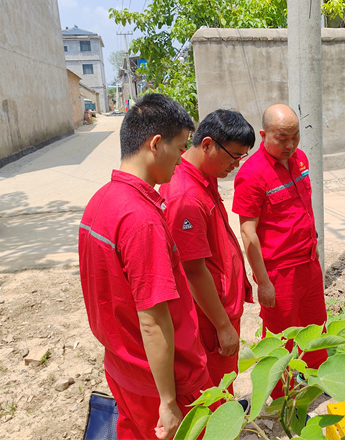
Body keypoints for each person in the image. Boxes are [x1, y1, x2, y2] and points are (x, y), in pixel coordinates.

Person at [79, 93, 211, 440]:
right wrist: (168, 401)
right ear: (156, 144)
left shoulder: (100, 201)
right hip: (161, 379)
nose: (183, 160)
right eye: (181, 147)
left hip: (123, 366)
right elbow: (152, 320)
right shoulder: (140, 218)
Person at [232, 104, 328, 395]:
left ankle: (317, 382)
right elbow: (248, 232)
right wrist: (263, 282)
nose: (290, 145)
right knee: (279, 340)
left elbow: (304, 209)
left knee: (316, 329)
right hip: (280, 274)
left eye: (295, 137)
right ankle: (278, 398)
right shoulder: (252, 175)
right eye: (282, 138)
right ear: (264, 135)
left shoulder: (300, 159)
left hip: (308, 264)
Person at [159, 109, 255, 399]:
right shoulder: (185, 195)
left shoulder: (204, 175)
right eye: (235, 156)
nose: (237, 165)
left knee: (224, 378)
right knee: (211, 387)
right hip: (209, 318)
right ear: (208, 144)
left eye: (242, 157)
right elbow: (193, 270)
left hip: (219, 306)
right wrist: (223, 326)